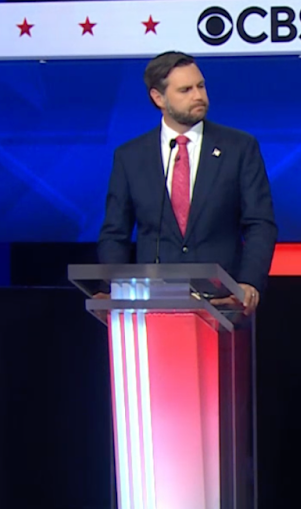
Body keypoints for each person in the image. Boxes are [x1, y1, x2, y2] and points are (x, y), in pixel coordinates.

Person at [97, 51, 277, 315]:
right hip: (151, 306)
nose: (198, 96)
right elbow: (115, 233)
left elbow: (260, 223)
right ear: (158, 98)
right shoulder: (130, 157)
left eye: (200, 86)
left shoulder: (239, 148)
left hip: (223, 304)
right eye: (185, 90)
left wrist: (248, 283)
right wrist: (115, 286)